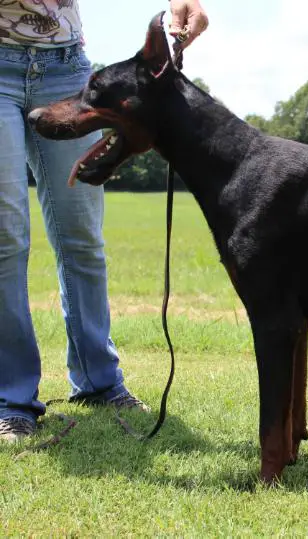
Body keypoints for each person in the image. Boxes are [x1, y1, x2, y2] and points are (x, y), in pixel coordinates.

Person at [0, 0, 209, 442]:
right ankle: (12, 399)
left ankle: (98, 382)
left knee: (81, 238)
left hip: (64, 64)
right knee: (5, 241)